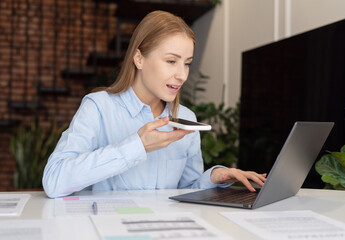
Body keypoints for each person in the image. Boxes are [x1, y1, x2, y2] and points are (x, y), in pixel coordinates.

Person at [42, 10, 266, 198]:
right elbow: (54, 181)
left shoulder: (186, 119)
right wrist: (137, 146)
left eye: (187, 63)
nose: (182, 75)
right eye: (171, 61)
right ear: (139, 59)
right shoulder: (99, 107)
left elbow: (187, 191)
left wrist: (214, 177)